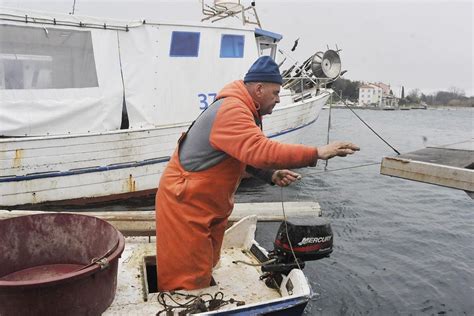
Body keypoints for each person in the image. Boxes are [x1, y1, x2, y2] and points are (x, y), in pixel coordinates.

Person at [155, 56, 359, 291]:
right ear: (259, 89)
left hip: (206, 205)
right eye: (275, 92)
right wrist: (318, 152)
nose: (278, 99)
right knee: (186, 282)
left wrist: (269, 175)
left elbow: (239, 154)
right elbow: (260, 150)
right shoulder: (232, 109)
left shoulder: (243, 109)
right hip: (186, 204)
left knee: (205, 265)